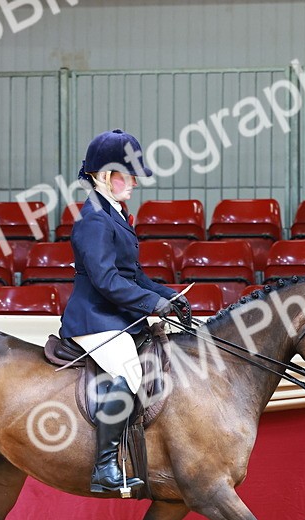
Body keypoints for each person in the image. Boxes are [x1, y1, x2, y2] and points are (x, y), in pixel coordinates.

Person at [60, 129, 193, 494]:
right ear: (104, 177)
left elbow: (133, 276)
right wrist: (153, 305)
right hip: (94, 317)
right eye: (128, 175)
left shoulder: (114, 214)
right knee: (131, 372)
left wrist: (170, 296)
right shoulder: (95, 220)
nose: (134, 182)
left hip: (114, 315)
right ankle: (103, 470)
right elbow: (105, 281)